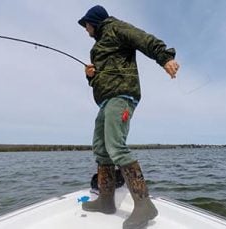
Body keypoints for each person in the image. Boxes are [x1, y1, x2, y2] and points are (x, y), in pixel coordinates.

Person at [76, 5, 179, 229]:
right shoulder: (98, 47)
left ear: (94, 21)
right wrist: (91, 76)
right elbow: (103, 76)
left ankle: (144, 205)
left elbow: (142, 39)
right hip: (105, 101)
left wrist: (165, 58)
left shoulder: (116, 28)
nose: (86, 30)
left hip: (121, 97)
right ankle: (105, 201)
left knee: (116, 146)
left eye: (87, 25)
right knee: (101, 149)